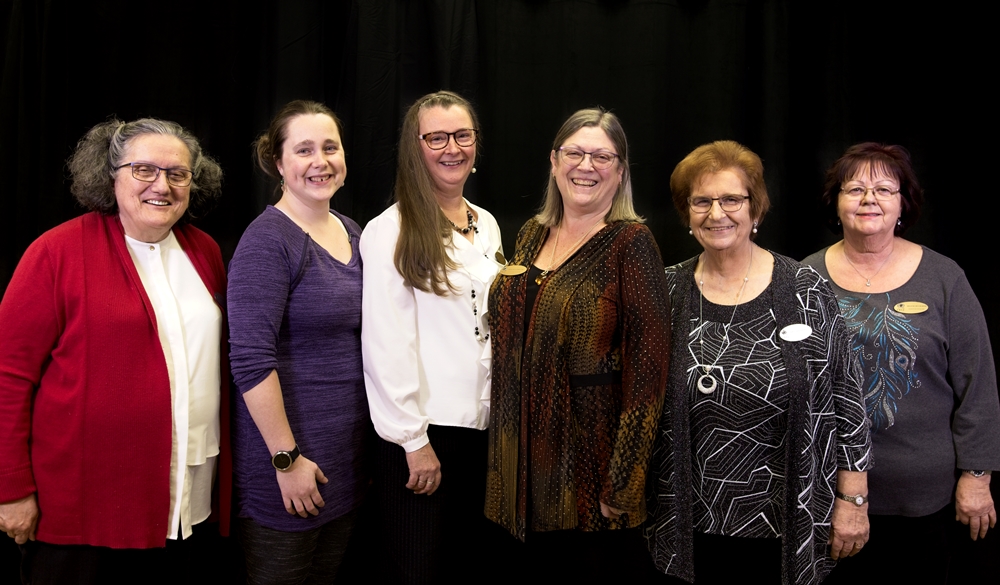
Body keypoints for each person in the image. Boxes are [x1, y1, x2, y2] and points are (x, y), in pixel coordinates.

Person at [0, 118, 228, 583]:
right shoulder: (55, 253)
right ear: (110, 175)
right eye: (144, 170)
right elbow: (8, 376)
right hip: (82, 509)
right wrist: (10, 489)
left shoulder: (204, 251)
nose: (162, 185)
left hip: (188, 496)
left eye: (178, 173)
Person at [646, 140, 872, 584]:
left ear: (756, 209)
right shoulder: (666, 291)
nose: (717, 213)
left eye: (731, 199)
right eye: (702, 201)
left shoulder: (805, 288)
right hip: (688, 526)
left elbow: (849, 398)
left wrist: (854, 499)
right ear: (686, 214)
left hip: (792, 521)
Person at [485, 108, 671, 580]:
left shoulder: (632, 243)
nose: (586, 166)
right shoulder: (531, 234)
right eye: (575, 152)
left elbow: (649, 370)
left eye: (602, 156)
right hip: (515, 467)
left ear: (621, 170)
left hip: (586, 473)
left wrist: (625, 480)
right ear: (554, 161)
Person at [802, 142, 1000, 582]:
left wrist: (977, 474)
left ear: (903, 204)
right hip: (826, 496)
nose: (869, 199)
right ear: (836, 203)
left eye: (884, 189)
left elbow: (977, 384)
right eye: (854, 189)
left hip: (926, 496)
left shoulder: (945, 278)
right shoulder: (803, 280)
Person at [360, 90, 503, 583]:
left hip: (480, 428)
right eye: (436, 137)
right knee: (418, 571)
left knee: (467, 567)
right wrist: (413, 441)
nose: (452, 148)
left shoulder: (485, 223)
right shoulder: (391, 230)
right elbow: (386, 344)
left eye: (463, 135)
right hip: (423, 434)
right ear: (414, 146)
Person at [227, 100, 369, 584]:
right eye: (303, 149)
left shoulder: (352, 233)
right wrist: (286, 460)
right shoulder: (268, 241)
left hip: (343, 462)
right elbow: (249, 361)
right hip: (286, 465)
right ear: (279, 162)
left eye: (330, 147)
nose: (320, 161)